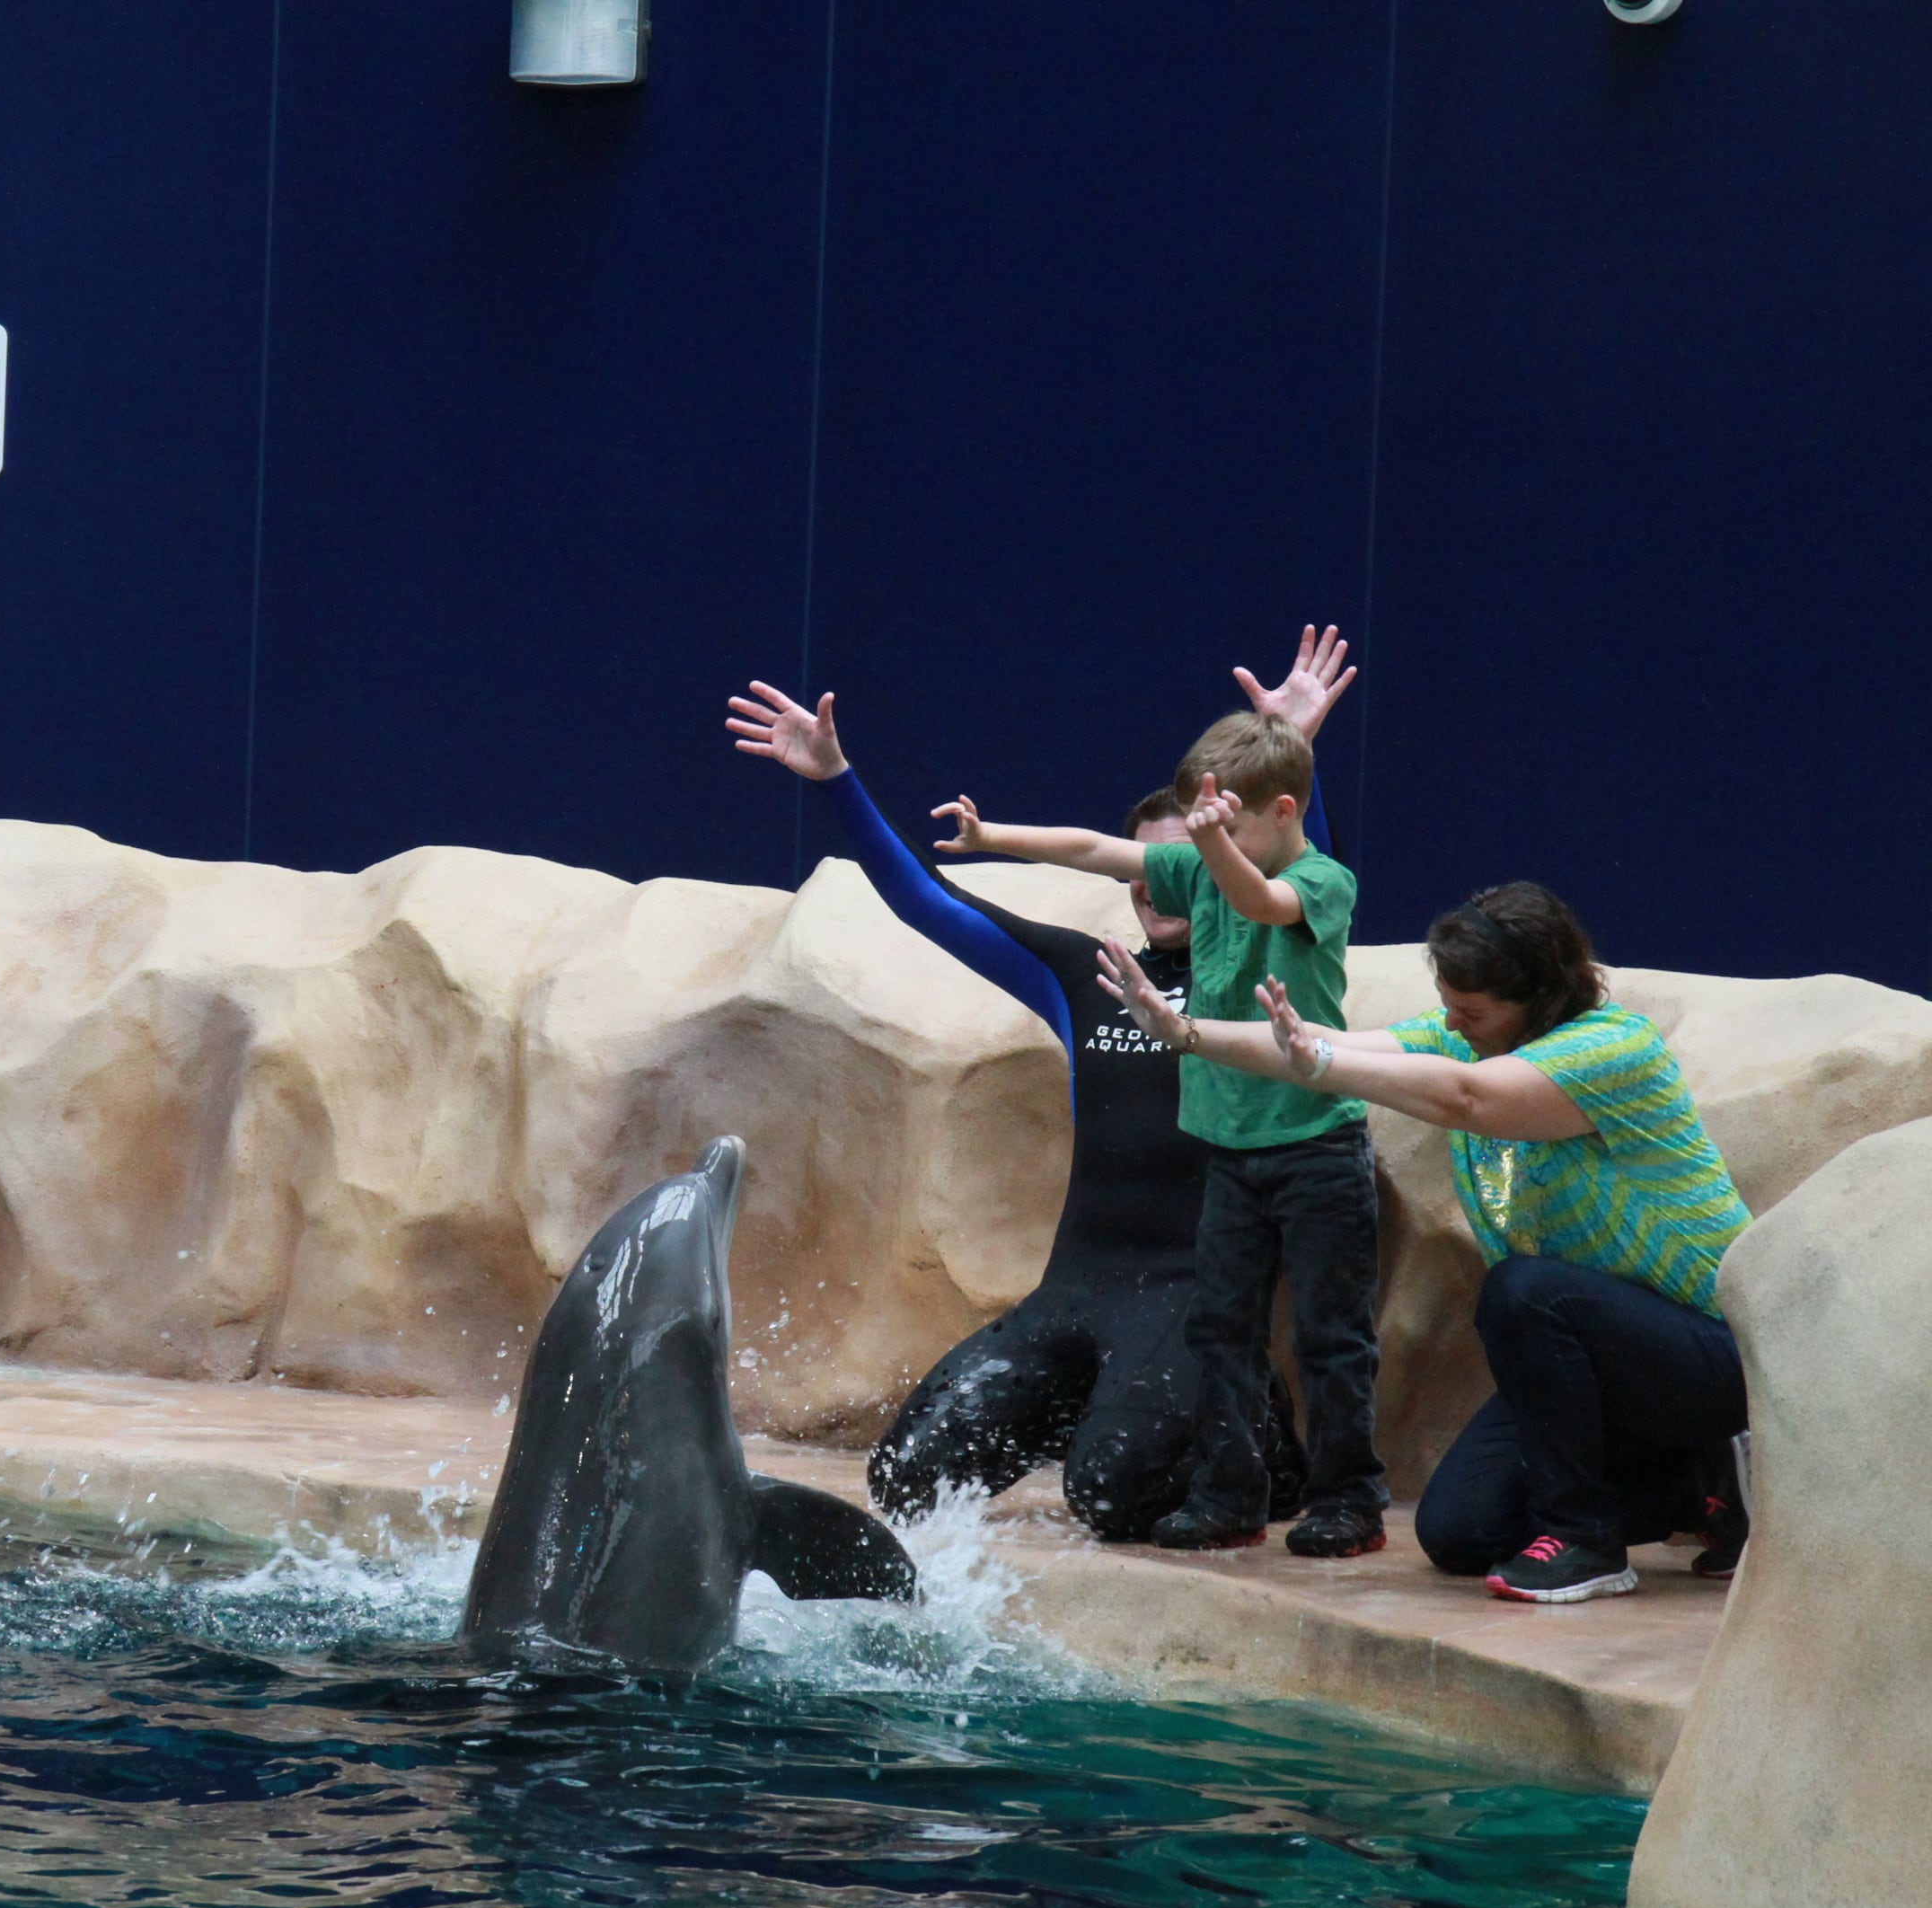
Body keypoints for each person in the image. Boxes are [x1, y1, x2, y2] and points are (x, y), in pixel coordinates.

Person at [725, 629, 1352, 1541]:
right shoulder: (1082, 974)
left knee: (1112, 1495)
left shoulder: (1267, 971)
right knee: (908, 1478)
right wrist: (836, 782)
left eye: (1191, 859)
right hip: (1076, 1291)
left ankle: (1254, 1432)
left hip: (1192, 1299)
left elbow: (1308, 874)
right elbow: (931, 902)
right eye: (1149, 868)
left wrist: (1294, 748)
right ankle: (1112, 1408)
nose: (1160, 888)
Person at [1097, 882, 1753, 1603]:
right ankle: (1701, 1487)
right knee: (1461, 1533)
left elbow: (1466, 1096)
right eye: (1450, 1006)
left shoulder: (1614, 1047)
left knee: (1525, 1291)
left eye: (1473, 1012)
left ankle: (1586, 1540)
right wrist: (1185, 1032)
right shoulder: (1464, 1036)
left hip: (1721, 1353)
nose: (1455, 1025)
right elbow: (1320, 1043)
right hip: (1608, 1369)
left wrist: (1319, 1064)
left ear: (1539, 996)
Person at [936, 712, 1383, 1558]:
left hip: (1315, 1149)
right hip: (1231, 1153)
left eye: (1230, 825)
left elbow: (1259, 901)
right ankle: (1230, 1495)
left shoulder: (1322, 881)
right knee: (1220, 1331)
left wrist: (1212, 846)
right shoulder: (1211, 860)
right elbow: (1095, 849)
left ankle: (1347, 1501)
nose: (1213, 842)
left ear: (1284, 812)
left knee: (1332, 1337)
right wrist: (992, 836)